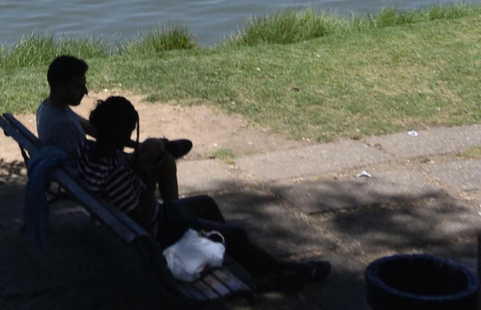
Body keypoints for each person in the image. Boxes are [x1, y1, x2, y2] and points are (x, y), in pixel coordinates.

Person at [79, 96, 329, 292]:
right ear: (119, 132)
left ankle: (227, 251)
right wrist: (151, 179)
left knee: (206, 204)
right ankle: (272, 271)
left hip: (149, 218)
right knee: (237, 233)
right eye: (129, 130)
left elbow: (123, 190)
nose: (131, 134)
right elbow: (142, 220)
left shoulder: (92, 153)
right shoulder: (115, 174)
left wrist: (140, 161)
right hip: (157, 230)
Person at [37, 55, 192, 200]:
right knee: (165, 162)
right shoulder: (61, 126)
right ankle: (173, 211)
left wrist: (136, 145)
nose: (85, 91)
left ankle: (160, 149)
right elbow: (86, 169)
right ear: (60, 87)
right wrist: (130, 158)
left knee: (152, 146)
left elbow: (93, 130)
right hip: (100, 178)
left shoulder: (52, 108)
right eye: (78, 87)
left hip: (97, 166)